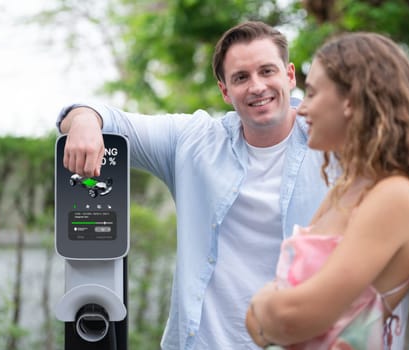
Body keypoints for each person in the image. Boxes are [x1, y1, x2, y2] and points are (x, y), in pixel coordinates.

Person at [57, 21, 329, 349]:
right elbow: (105, 117)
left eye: (267, 71)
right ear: (225, 90)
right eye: (241, 77)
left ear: (289, 75)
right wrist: (85, 120)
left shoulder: (332, 142)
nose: (256, 86)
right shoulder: (193, 142)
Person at [246, 32, 409, 349]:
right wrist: (273, 315)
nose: (303, 109)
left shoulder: (396, 195)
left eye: (311, 93)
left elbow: (293, 315)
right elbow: (266, 323)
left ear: (350, 99)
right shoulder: (346, 190)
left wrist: (263, 305)